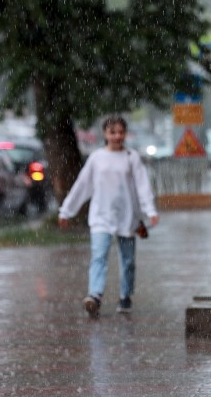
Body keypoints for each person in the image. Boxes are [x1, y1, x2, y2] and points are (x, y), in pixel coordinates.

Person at [58, 116, 159, 318]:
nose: (117, 136)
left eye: (120, 132)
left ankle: (125, 295)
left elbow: (142, 186)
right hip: (101, 216)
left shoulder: (132, 157)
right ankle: (94, 296)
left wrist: (150, 210)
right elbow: (82, 185)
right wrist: (67, 211)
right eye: (112, 132)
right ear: (105, 134)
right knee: (99, 256)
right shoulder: (97, 159)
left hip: (127, 217)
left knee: (128, 260)